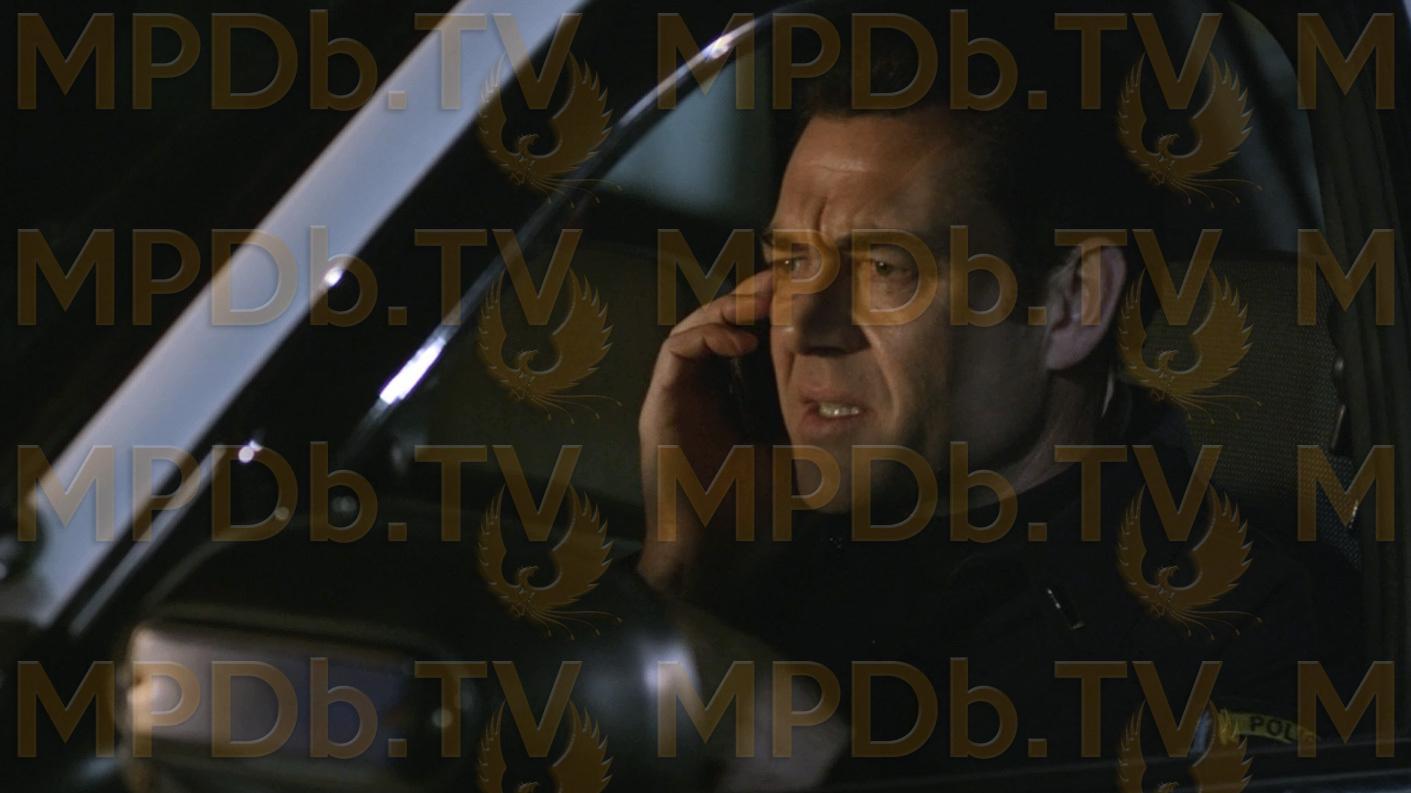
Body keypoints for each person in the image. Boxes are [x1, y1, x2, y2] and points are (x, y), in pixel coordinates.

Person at [633, 4, 1316, 779]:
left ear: (1072, 303)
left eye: (883, 267)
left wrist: (806, 755)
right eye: (790, 262)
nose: (801, 326)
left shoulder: (1226, 633)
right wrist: (680, 572)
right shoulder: (775, 556)